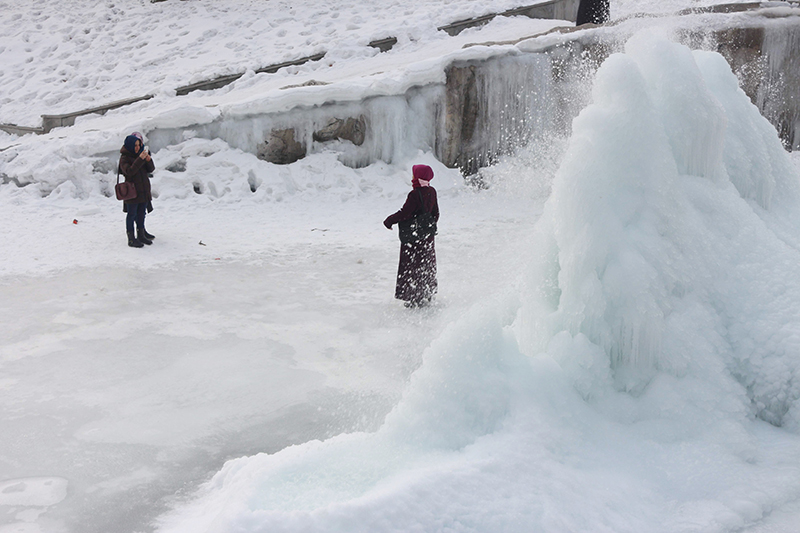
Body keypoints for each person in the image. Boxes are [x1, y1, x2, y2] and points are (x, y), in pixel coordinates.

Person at [383, 164, 440, 307]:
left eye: (414, 174)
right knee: (426, 263)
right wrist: (427, 227)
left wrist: (389, 221)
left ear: (418, 177)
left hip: (413, 238)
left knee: (412, 265)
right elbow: (436, 213)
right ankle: (426, 293)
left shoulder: (415, 194)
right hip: (427, 237)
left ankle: (414, 296)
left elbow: (405, 213)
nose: (412, 176)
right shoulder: (432, 191)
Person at [118, 132, 156, 248]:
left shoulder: (141, 154)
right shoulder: (124, 158)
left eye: (139, 145)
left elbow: (151, 169)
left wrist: (148, 160)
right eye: (135, 145)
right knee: (131, 214)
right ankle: (131, 238)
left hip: (143, 189)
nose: (138, 148)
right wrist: (140, 159)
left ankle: (141, 234)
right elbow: (129, 172)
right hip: (132, 192)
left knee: (141, 213)